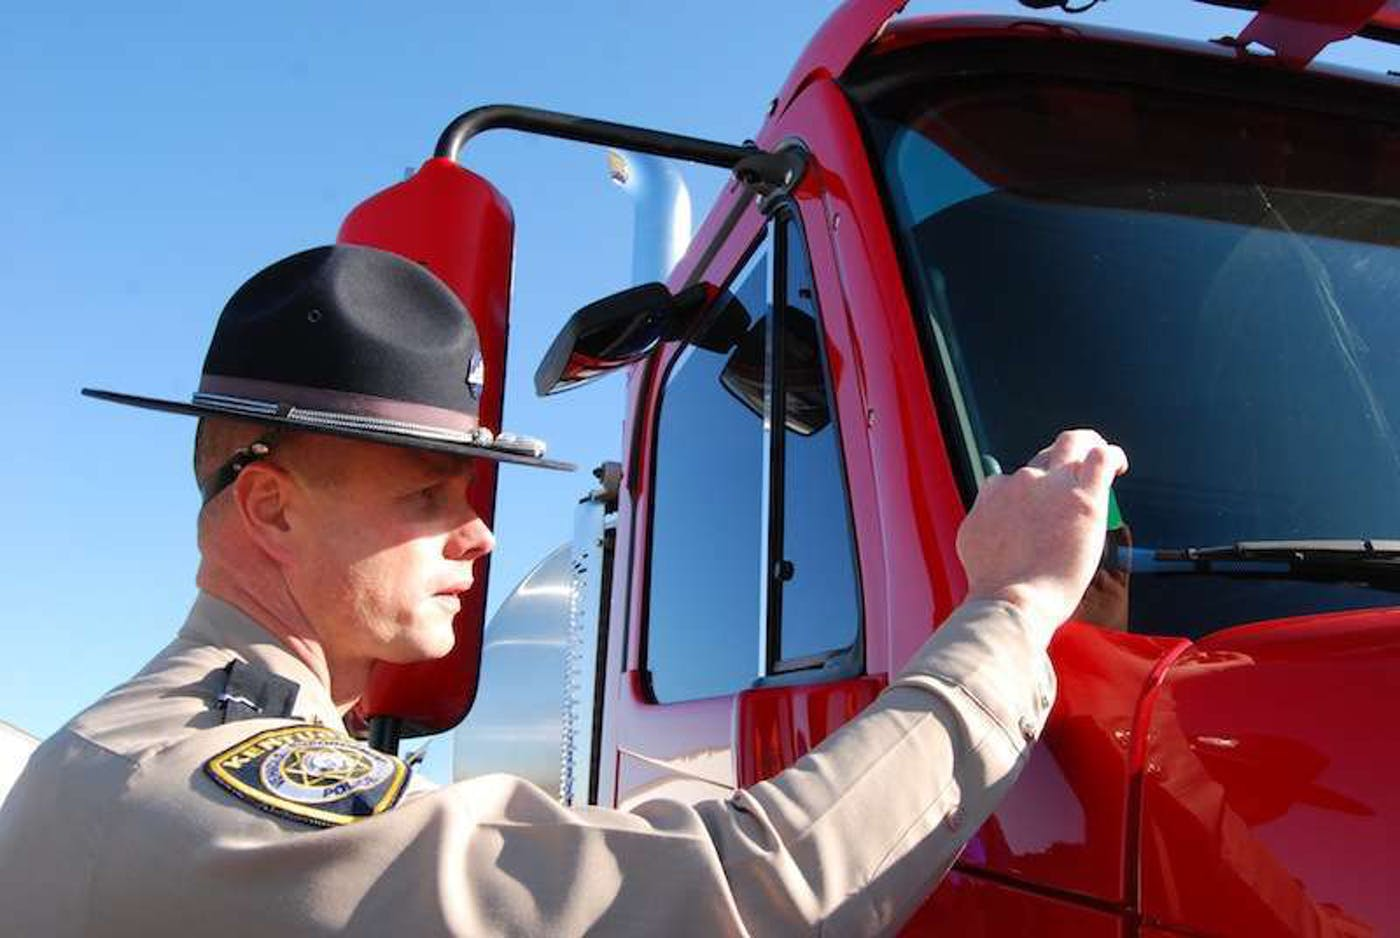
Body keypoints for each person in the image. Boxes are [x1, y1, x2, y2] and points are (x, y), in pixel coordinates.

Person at [0, 244, 1127, 936]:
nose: (481, 533)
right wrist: (1012, 608)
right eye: (430, 494)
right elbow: (739, 898)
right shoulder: (203, 787)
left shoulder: (161, 744)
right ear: (274, 511)